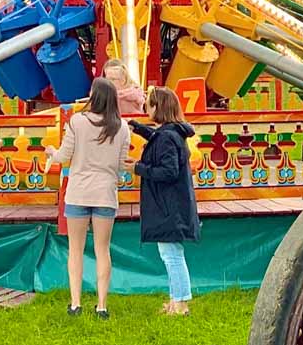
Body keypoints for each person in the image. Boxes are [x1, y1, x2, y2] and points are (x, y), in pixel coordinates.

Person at [46, 77, 130, 319]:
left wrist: (52, 152)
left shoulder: (77, 121)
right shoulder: (121, 127)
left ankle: (75, 303)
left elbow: (63, 156)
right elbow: (121, 166)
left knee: (75, 249)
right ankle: (102, 305)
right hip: (105, 193)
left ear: (93, 96)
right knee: (103, 249)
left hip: (78, 192)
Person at [131, 87, 200, 316]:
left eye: (149, 104)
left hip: (169, 207)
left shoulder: (168, 136)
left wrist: (137, 168)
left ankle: (180, 303)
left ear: (158, 107)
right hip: (172, 206)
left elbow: (168, 171)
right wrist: (140, 129)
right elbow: (160, 142)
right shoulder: (170, 133)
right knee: (170, 253)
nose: (146, 108)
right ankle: (175, 300)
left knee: (171, 255)